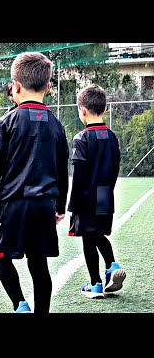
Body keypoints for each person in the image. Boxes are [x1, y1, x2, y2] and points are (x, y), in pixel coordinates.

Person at [0, 52, 69, 314]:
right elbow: (62, 169)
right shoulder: (56, 125)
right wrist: (60, 206)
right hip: (45, 205)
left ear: (16, 86)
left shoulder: (7, 121)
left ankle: (20, 305)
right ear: (48, 87)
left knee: (0, 255)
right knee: (38, 264)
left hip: (14, 205)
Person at [67, 84, 125, 299]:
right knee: (99, 234)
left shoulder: (81, 138)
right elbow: (115, 168)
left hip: (86, 198)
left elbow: (79, 176)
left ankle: (96, 284)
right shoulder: (112, 137)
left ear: (82, 110)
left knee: (88, 241)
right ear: (105, 109)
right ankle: (112, 265)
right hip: (105, 195)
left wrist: (73, 206)